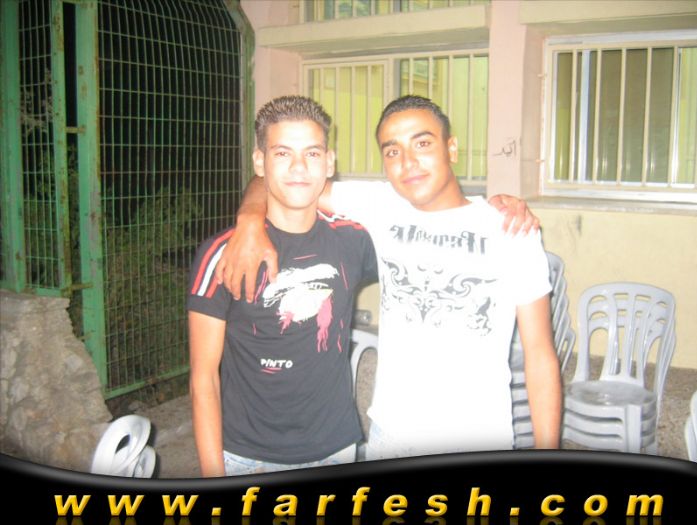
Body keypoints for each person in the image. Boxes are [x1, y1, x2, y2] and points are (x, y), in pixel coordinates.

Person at [216, 95, 561, 458]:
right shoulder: (381, 206)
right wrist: (249, 218)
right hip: (391, 437)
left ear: (451, 148)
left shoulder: (510, 229)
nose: (408, 162)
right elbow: (282, 180)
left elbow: (540, 355)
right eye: (392, 151)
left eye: (422, 144)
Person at [187, 95, 378, 476]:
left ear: (329, 162)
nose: (298, 167)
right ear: (259, 162)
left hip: (335, 447)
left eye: (312, 153)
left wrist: (495, 210)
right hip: (247, 457)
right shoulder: (223, 254)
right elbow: (203, 379)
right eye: (282, 153)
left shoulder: (356, 240)